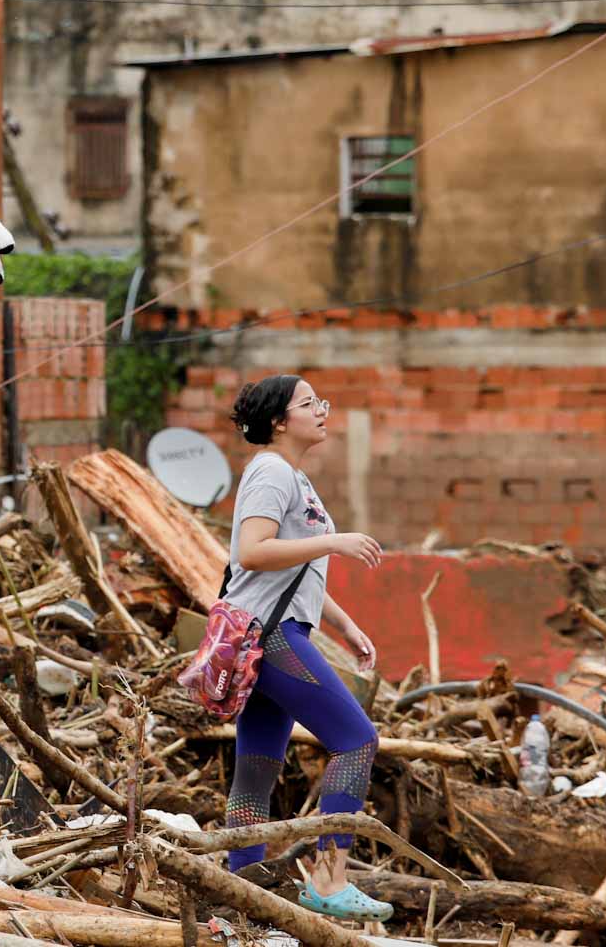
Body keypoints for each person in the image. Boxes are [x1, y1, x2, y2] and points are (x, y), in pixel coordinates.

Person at [221, 374, 392, 921]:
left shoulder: (293, 476)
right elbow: (253, 552)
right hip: (270, 639)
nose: (322, 410)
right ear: (278, 421)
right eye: (309, 403)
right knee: (357, 740)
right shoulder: (272, 471)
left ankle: (237, 900)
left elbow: (294, 570)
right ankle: (328, 878)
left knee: (256, 771)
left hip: (272, 631)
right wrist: (335, 542)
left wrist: (343, 624)